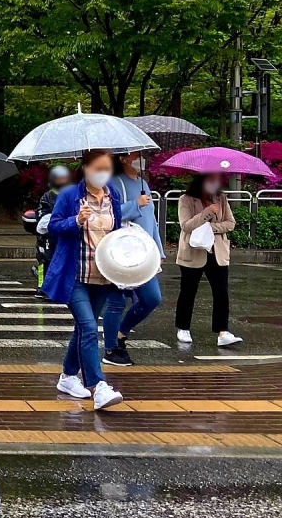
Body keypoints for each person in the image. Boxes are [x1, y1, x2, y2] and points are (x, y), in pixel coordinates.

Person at [41, 149, 125, 410]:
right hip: (75, 274)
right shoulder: (69, 196)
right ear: (86, 168)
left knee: (83, 328)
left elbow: (117, 230)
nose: (103, 173)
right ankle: (98, 386)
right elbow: (51, 227)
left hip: (103, 275)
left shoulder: (114, 196)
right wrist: (76, 221)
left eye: (107, 168)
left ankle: (67, 376)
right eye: (98, 168)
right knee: (89, 328)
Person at [99, 152, 165, 367]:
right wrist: (135, 204)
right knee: (116, 301)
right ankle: (111, 348)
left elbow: (151, 222)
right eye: (137, 155)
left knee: (151, 298)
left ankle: (121, 332)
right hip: (121, 251)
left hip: (144, 252)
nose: (142, 159)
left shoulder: (144, 183)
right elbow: (109, 214)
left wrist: (158, 252)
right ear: (124, 159)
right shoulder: (112, 183)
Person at [175, 173, 242, 347]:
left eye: (216, 180)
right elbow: (186, 225)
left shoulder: (221, 198)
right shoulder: (186, 199)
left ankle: (223, 331)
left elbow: (230, 223)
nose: (214, 183)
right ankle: (183, 327)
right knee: (188, 291)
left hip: (217, 251)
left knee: (221, 292)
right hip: (194, 251)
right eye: (210, 179)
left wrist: (209, 228)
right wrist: (207, 212)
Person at [35, 165, 72, 299]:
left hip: (65, 235)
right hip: (48, 237)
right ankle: (42, 287)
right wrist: (56, 219)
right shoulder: (48, 197)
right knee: (45, 260)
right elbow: (41, 217)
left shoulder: (71, 195)